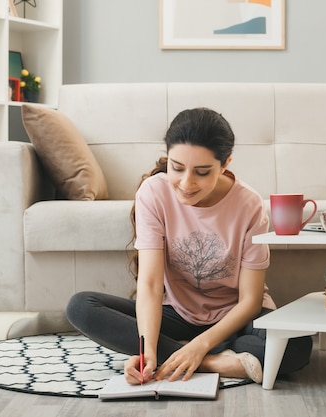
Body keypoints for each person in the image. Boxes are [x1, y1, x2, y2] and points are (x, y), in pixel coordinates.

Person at [66, 107, 313, 385]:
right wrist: (146, 351)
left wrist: (200, 345)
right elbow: (149, 285)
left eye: (202, 172)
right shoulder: (154, 193)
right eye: (177, 168)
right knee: (81, 306)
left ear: (225, 164)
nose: (186, 184)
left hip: (235, 318)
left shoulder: (249, 204)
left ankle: (185, 353)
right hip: (178, 315)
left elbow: (250, 301)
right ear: (168, 158)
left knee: (298, 345)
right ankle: (218, 361)